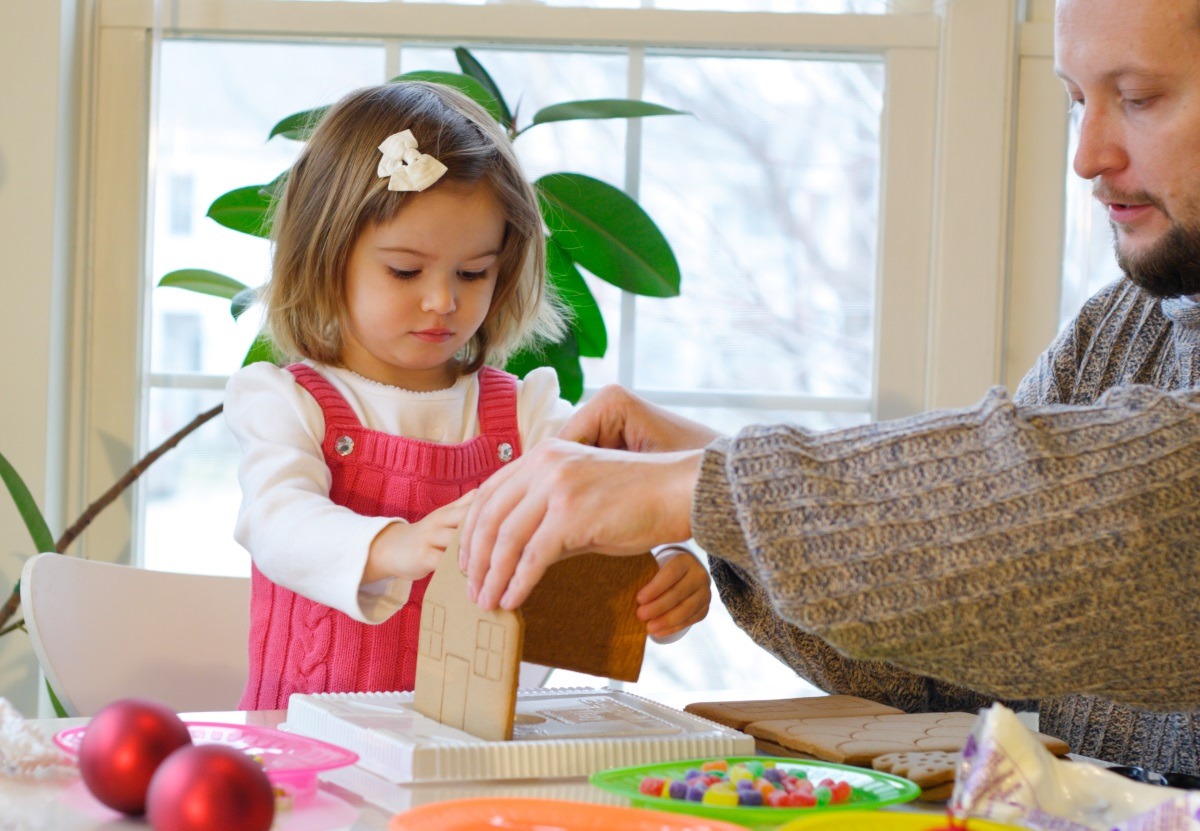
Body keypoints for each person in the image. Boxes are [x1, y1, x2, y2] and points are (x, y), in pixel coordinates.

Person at [458, 0, 1200, 775]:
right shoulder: (1124, 326)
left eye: (1139, 98)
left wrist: (711, 487)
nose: (1086, 154)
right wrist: (718, 493)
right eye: (1079, 99)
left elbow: (1145, 511)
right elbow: (967, 648)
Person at [225, 81, 711, 711]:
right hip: (309, 753)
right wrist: (392, 545)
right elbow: (276, 521)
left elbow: (609, 506)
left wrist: (669, 565)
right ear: (325, 257)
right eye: (405, 270)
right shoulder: (290, 403)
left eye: (473, 272)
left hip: (468, 754)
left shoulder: (526, 417)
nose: (443, 301)